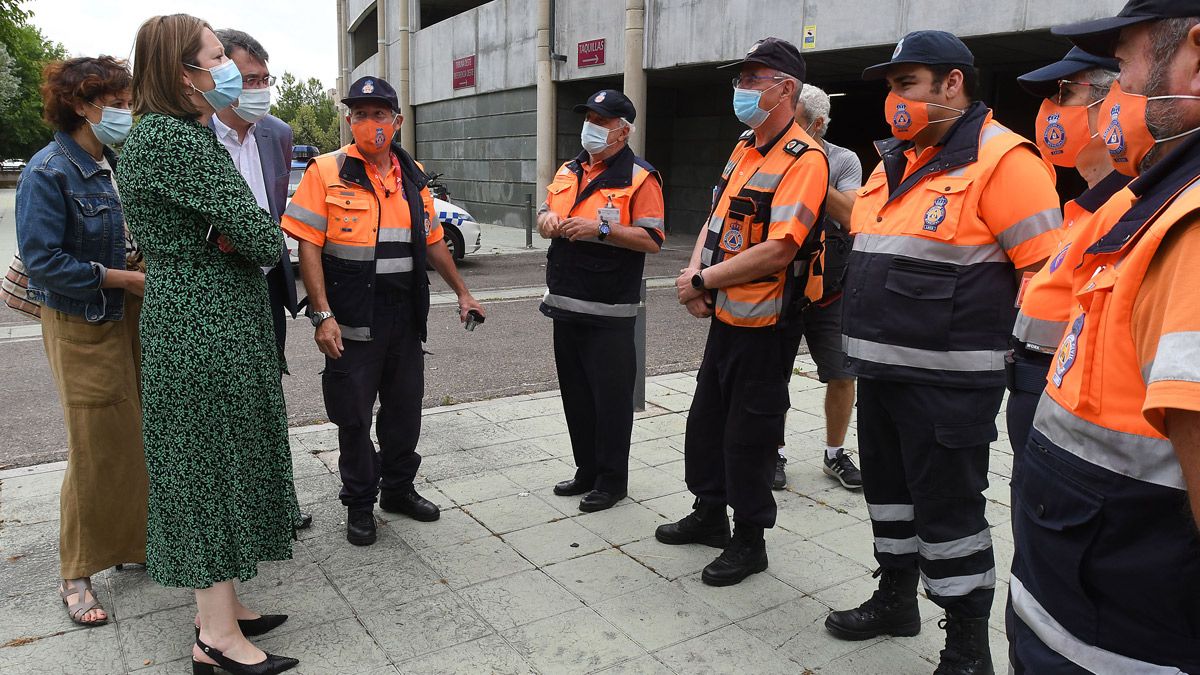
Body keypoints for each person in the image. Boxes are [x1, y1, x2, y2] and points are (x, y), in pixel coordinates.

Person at [824, 31, 1063, 674]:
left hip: (950, 390)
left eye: (907, 85)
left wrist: (1032, 385)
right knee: (891, 502)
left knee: (950, 516)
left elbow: (1049, 281)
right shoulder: (893, 160)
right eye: (892, 88)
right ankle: (897, 600)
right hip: (881, 375)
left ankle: (966, 649)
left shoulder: (1006, 162)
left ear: (952, 84)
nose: (894, 101)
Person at [1007, 3, 1200, 671]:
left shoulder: (1190, 222)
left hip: (1119, 635)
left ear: (1195, 58)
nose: (1109, 95)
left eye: (1119, 68)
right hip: (1078, 593)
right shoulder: (1156, 201)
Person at [117, 14, 299, 675]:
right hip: (204, 329)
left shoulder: (159, 137)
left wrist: (225, 234)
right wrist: (236, 236)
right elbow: (260, 236)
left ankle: (221, 609)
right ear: (181, 72)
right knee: (207, 472)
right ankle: (216, 640)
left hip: (196, 321)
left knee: (209, 465)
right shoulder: (178, 142)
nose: (226, 70)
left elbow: (232, 229)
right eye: (216, 57)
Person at [282, 76, 485, 547]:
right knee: (352, 416)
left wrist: (463, 292)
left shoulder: (412, 175)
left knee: (402, 412)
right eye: (360, 114)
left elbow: (433, 242)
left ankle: (398, 490)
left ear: (396, 121)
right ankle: (359, 504)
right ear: (349, 120)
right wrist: (321, 314)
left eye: (379, 114)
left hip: (403, 316)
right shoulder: (325, 171)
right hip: (351, 319)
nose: (369, 123)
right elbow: (307, 245)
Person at [657, 37, 830, 587]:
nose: (742, 88)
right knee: (706, 423)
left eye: (754, 79)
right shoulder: (746, 147)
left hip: (768, 325)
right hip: (727, 318)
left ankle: (749, 539)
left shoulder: (806, 160)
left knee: (749, 436)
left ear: (785, 87)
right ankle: (710, 514)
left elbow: (781, 247)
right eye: (741, 78)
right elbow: (715, 221)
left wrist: (705, 279)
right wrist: (692, 278)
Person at [15, 56, 146, 628]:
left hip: (128, 315)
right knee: (94, 445)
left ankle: (132, 543)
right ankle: (76, 571)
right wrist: (124, 277)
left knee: (133, 435)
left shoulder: (114, 163)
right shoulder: (48, 171)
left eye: (126, 100)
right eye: (115, 102)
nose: (125, 112)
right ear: (81, 105)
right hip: (82, 322)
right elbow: (45, 263)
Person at [538, 89, 665, 513]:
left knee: (610, 400)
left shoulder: (642, 177)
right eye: (589, 116)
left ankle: (613, 481)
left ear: (623, 131)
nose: (591, 125)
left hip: (609, 309)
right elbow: (541, 218)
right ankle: (587, 470)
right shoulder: (568, 169)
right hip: (565, 302)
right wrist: (549, 221)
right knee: (576, 395)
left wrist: (601, 230)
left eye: (602, 119)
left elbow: (652, 239)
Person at [1005, 48, 1133, 454]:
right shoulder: (1084, 205)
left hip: (1076, 420)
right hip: (1039, 394)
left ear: (1110, 101)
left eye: (1063, 92)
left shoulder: (1132, 206)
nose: (1050, 108)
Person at [211, 27, 311, 531]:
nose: (259, 89)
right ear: (221, 77)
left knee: (267, 395)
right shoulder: (191, 136)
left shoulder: (277, 132)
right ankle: (230, 511)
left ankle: (276, 503)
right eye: (249, 78)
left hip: (267, 285)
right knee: (221, 404)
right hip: (214, 290)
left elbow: (274, 211)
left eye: (265, 79)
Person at [774, 83, 863, 492]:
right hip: (779, 286)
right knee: (773, 375)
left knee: (843, 374)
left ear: (818, 124)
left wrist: (808, 172)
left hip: (831, 289)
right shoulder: (764, 155)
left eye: (795, 122)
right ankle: (771, 451)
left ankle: (834, 454)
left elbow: (852, 216)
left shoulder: (843, 161)